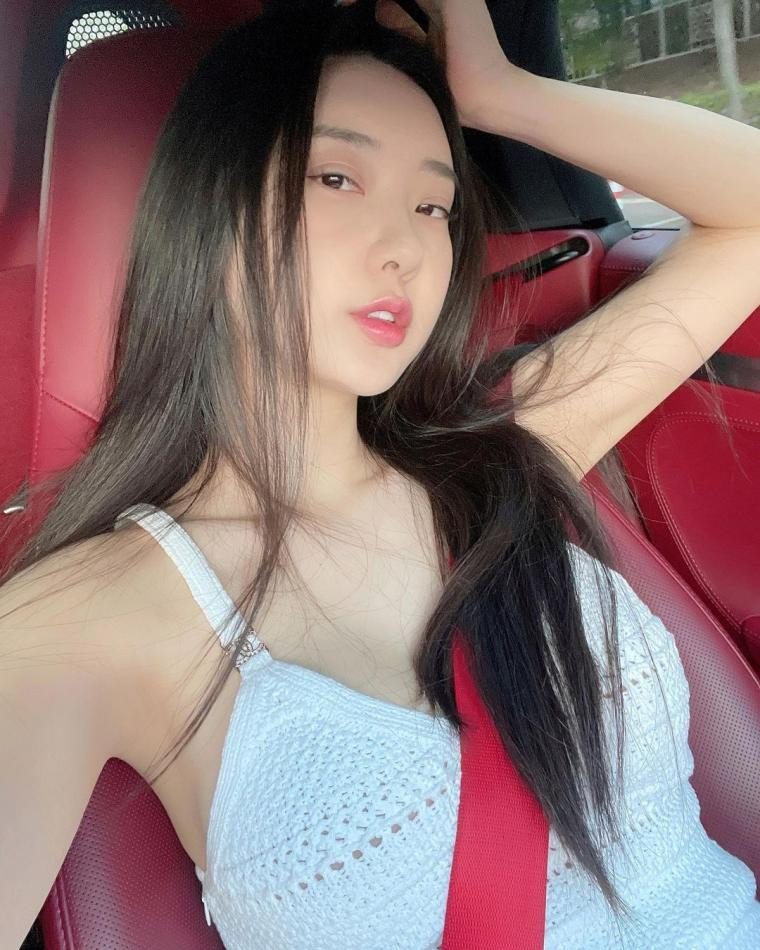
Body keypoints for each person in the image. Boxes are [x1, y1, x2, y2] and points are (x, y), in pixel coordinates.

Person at [2, 0, 760, 946]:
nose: (406, 247)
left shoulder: (508, 448)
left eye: (433, 205)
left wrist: (501, 95)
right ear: (211, 211)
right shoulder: (87, 614)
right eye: (336, 177)